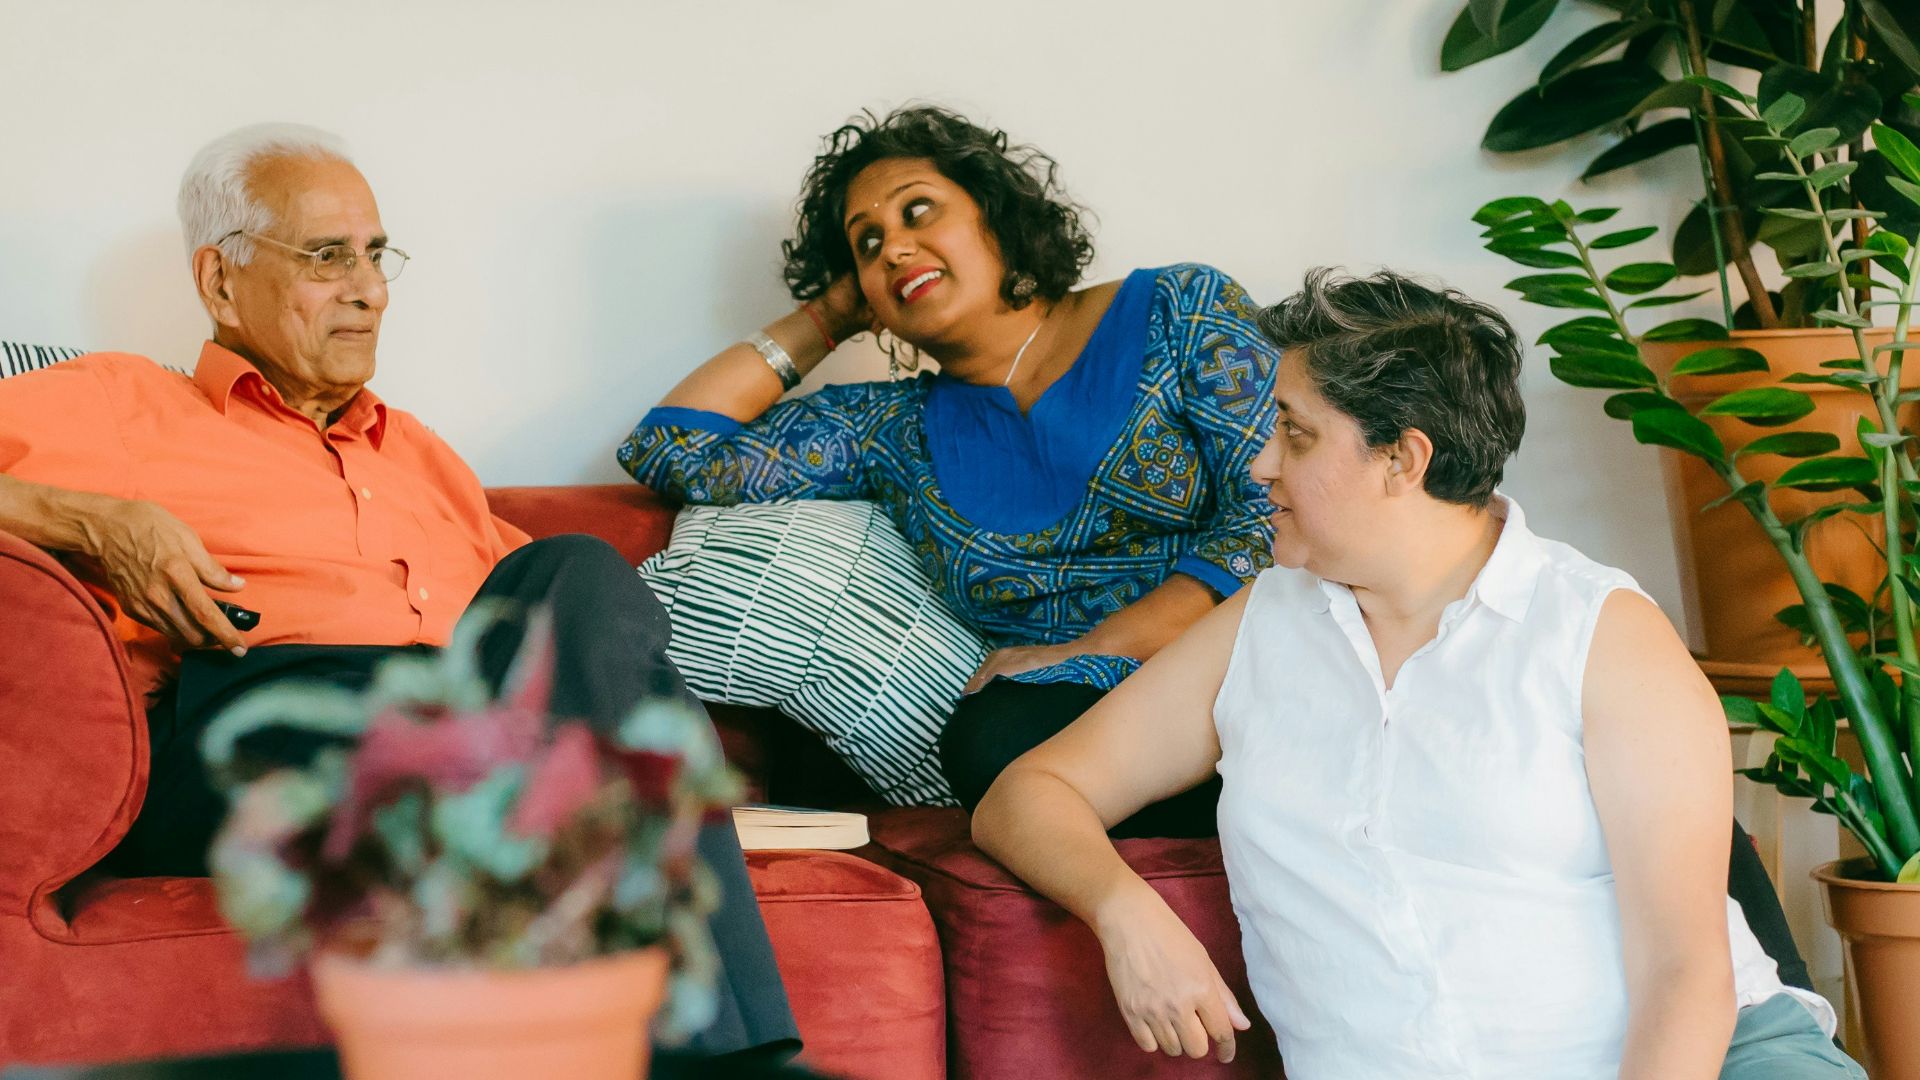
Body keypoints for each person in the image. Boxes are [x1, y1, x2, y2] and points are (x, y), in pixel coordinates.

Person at [0, 123, 796, 1059]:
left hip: (464, 733)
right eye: (327, 256)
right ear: (220, 280)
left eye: (376, 256)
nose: (370, 290)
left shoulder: (421, 454)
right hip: (256, 722)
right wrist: (95, 521)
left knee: (580, 575)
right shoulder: (118, 404)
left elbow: (578, 648)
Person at [972, 268, 1864, 1078]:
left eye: (1295, 434)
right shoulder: (1259, 627)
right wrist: (1124, 912)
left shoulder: (1599, 632)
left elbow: (1687, 975)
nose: (1260, 463)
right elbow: (1030, 794)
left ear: (1403, 458)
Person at [619, 106, 1278, 835]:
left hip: (1245, 662)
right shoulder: (888, 431)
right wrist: (834, 313)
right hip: (1073, 723)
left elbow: (1272, 515)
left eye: (918, 211)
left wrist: (1092, 648)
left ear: (997, 214)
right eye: (868, 244)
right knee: (988, 741)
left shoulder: (1179, 311)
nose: (895, 248)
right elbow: (669, 448)